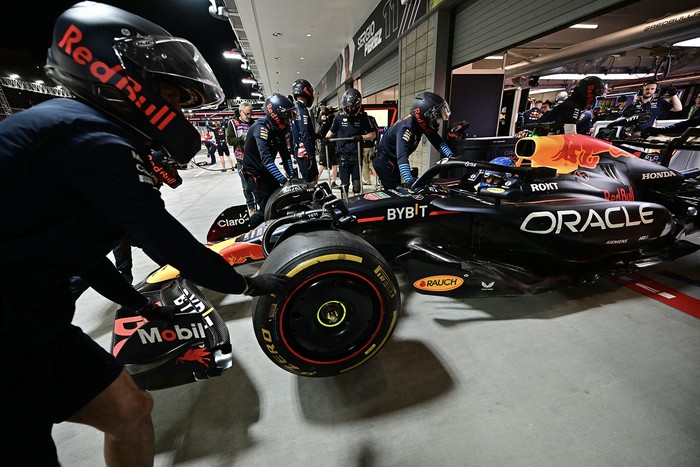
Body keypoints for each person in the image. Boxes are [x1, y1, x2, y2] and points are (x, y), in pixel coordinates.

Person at [0, 3, 288, 465]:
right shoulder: (86, 138)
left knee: (131, 410)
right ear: (120, 79)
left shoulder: (81, 129)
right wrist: (248, 284)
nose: (177, 112)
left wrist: (137, 304)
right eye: (174, 98)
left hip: (34, 324)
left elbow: (75, 252)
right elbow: (163, 237)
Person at [372, 91, 454, 189]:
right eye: (434, 118)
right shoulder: (406, 129)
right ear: (423, 116)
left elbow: (438, 142)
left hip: (393, 160)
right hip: (384, 161)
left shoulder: (420, 124)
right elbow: (402, 157)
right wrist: (410, 182)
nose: (437, 122)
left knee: (398, 189)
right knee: (393, 192)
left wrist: (452, 157)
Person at [242, 93, 296, 228]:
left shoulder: (278, 130)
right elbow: (266, 160)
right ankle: (246, 230)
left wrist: (293, 177)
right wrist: (284, 181)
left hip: (266, 172)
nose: (288, 120)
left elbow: (285, 155)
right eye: (286, 116)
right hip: (256, 175)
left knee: (279, 202)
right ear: (277, 115)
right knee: (266, 209)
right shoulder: (261, 128)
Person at [325, 89, 376, 195]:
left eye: (353, 107)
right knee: (344, 185)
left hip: (356, 156)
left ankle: (356, 204)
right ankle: (346, 206)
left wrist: (361, 137)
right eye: (348, 107)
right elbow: (331, 131)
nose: (350, 109)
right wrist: (326, 139)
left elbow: (373, 134)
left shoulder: (363, 117)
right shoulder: (339, 117)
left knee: (356, 185)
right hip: (343, 155)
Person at [536, 76, 606, 135]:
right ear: (590, 94)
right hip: (545, 143)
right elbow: (570, 135)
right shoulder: (573, 107)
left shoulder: (569, 104)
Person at [227, 102, 257, 215]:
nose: (249, 117)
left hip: (254, 158)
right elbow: (230, 140)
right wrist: (243, 139)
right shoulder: (233, 123)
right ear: (240, 112)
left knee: (257, 184)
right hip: (242, 159)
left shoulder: (253, 123)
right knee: (246, 186)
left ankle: (261, 205)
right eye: (247, 114)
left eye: (251, 114)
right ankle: (251, 208)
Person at [290, 79, 320, 184]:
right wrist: (311, 156)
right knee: (312, 182)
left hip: (300, 152)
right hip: (305, 153)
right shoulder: (301, 109)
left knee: (310, 180)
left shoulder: (294, 108)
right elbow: (304, 133)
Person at [316, 105, 339, 188]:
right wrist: (324, 122)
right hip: (325, 145)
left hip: (332, 145)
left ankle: (333, 182)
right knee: (322, 165)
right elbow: (321, 133)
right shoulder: (322, 121)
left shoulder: (332, 120)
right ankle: (315, 182)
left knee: (334, 164)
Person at [362, 113, 380, 185]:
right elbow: (377, 130)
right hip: (371, 145)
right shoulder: (372, 119)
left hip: (363, 145)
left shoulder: (362, 120)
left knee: (364, 164)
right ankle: (379, 179)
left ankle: (367, 180)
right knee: (371, 163)